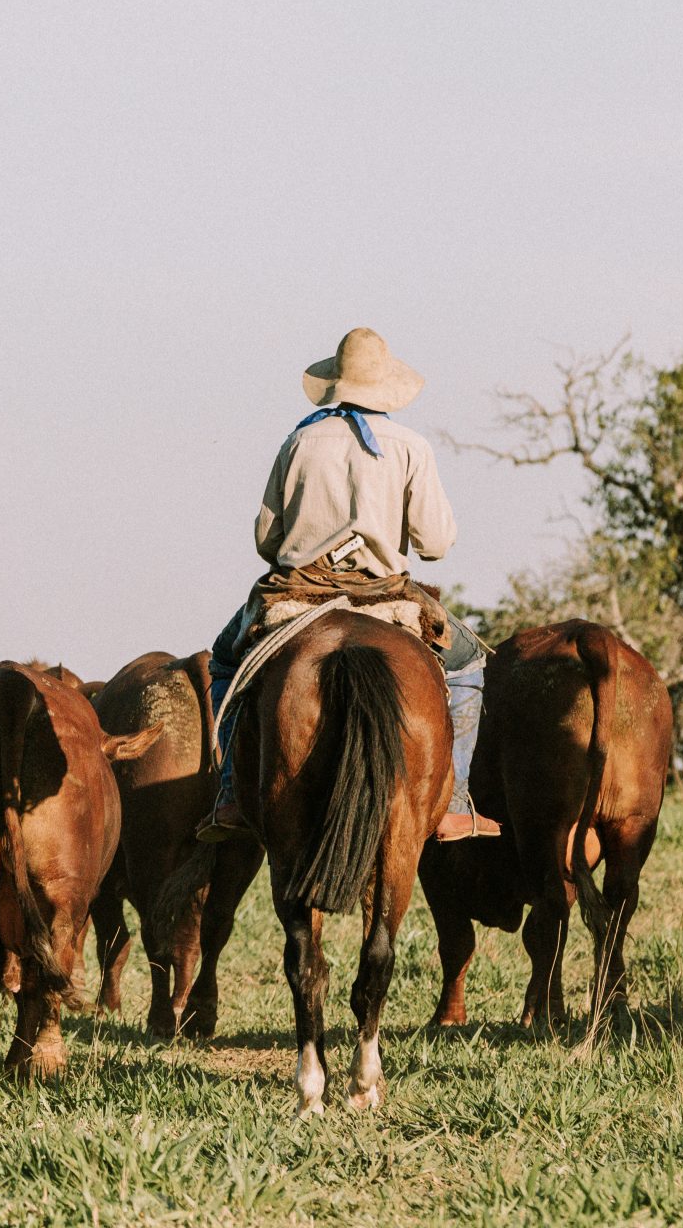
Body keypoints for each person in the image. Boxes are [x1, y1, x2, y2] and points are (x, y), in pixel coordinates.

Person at [195, 328, 500, 845]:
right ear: (387, 387)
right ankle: (452, 802)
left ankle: (230, 794)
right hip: (387, 598)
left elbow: (266, 539)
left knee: (225, 660)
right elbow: (436, 543)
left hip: (299, 595)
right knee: (469, 662)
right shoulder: (412, 448)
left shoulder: (299, 440)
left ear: (335, 382)